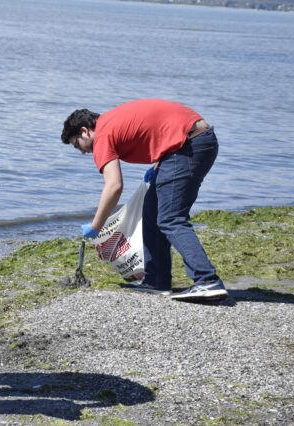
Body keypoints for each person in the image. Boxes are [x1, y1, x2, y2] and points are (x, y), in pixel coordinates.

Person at [61, 99, 227, 302]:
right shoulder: (112, 120)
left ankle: (207, 280)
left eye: (78, 145)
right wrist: (160, 161)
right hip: (194, 141)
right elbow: (156, 125)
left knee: (171, 218)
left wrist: (96, 225)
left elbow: (114, 186)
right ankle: (156, 280)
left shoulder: (102, 134)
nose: (83, 152)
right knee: (151, 211)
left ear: (85, 131)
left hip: (187, 146)